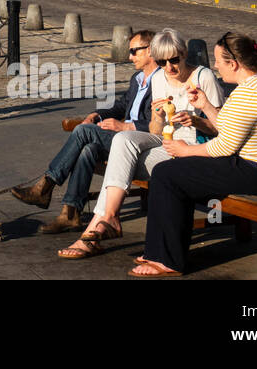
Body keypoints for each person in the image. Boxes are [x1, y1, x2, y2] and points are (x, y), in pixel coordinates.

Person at [130, 32, 257, 277]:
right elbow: (227, 129)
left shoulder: (249, 92)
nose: (215, 65)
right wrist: (206, 106)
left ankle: (167, 259)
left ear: (234, 64)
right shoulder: (256, 85)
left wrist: (186, 151)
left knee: (168, 173)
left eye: (219, 60)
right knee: (172, 173)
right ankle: (159, 251)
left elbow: (225, 146)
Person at [56, 29, 224, 258]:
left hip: (193, 145)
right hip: (165, 140)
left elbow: (221, 129)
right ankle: (108, 218)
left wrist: (195, 120)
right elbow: (156, 131)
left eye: (174, 60)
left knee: (120, 160)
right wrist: (157, 116)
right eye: (163, 62)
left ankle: (97, 227)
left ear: (184, 54)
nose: (170, 68)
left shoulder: (203, 77)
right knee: (123, 141)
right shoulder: (158, 78)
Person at [11, 30, 158, 233]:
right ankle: (70, 214)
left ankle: (45, 186)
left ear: (150, 50)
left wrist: (125, 126)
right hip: (121, 139)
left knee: (83, 132)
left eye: (134, 51)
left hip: (139, 142)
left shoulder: (161, 81)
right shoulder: (137, 78)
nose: (130, 56)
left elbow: (158, 124)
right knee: (88, 149)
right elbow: (121, 106)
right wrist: (96, 114)